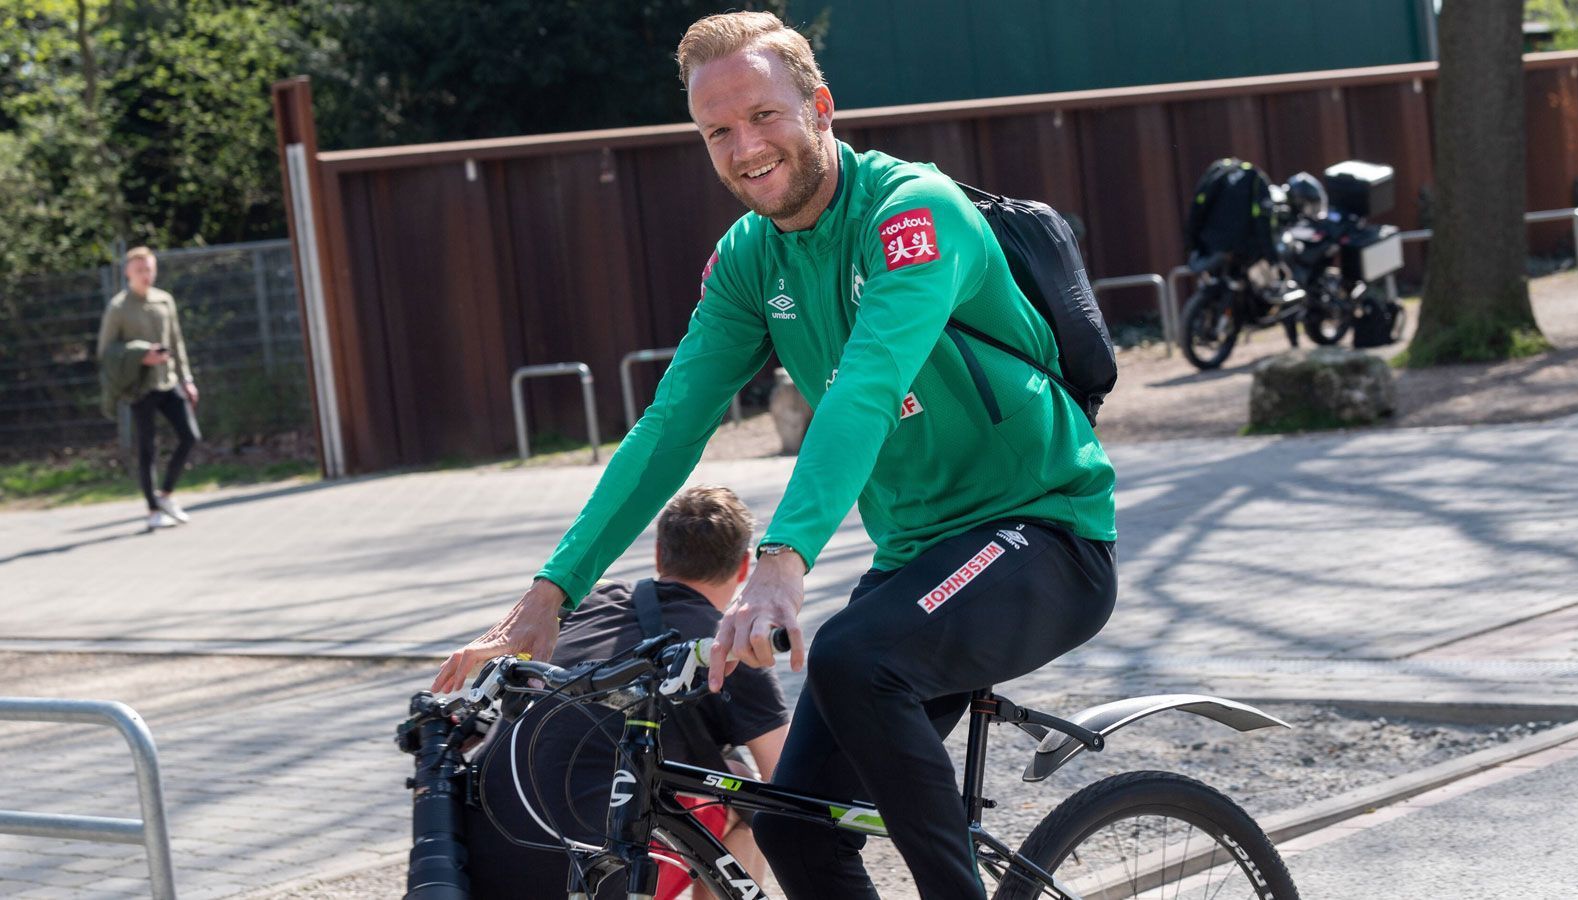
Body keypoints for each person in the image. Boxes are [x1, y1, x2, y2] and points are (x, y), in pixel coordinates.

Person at [435, 11, 1117, 898]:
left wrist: (781, 561)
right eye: (718, 130)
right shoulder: (750, 259)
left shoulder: (915, 211)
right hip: (921, 559)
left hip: (1045, 536)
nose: (744, 147)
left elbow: (865, 388)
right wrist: (548, 595)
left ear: (821, 107)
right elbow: (671, 425)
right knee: (795, 829)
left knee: (848, 654)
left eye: (763, 115)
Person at [463, 486, 788, 899]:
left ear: (659, 555)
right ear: (743, 567)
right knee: (748, 803)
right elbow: (785, 773)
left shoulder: (591, 605)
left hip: (488, 859)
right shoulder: (724, 645)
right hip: (588, 878)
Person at [96, 246, 199, 530]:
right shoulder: (118, 308)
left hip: (168, 382)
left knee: (189, 437)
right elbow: (106, 351)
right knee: (147, 449)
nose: (146, 274)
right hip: (140, 387)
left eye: (150, 269)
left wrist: (186, 378)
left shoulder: (164, 301)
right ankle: (153, 510)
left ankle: (165, 495)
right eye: (140, 269)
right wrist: (141, 354)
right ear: (128, 272)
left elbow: (176, 342)